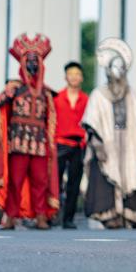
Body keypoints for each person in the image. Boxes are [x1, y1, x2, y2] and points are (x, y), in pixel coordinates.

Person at [0, 34, 60, 230]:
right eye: (29, 60)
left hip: (40, 143)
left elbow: (52, 118)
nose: (32, 64)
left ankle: (41, 216)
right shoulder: (14, 88)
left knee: (40, 181)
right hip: (18, 142)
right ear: (23, 63)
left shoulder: (46, 92)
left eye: (36, 60)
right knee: (15, 181)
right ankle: (11, 216)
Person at [82, 38, 136, 228]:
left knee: (132, 174)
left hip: (128, 145)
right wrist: (98, 146)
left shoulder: (130, 93)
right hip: (107, 145)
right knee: (107, 178)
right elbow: (91, 123)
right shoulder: (98, 95)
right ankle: (111, 216)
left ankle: (128, 215)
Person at [54, 60, 88, 229]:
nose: (74, 77)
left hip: (78, 145)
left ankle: (69, 218)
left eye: (77, 74)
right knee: (55, 182)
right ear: (65, 77)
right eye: (71, 74)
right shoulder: (57, 98)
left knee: (74, 183)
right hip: (59, 143)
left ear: (81, 78)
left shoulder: (86, 99)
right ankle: (53, 214)